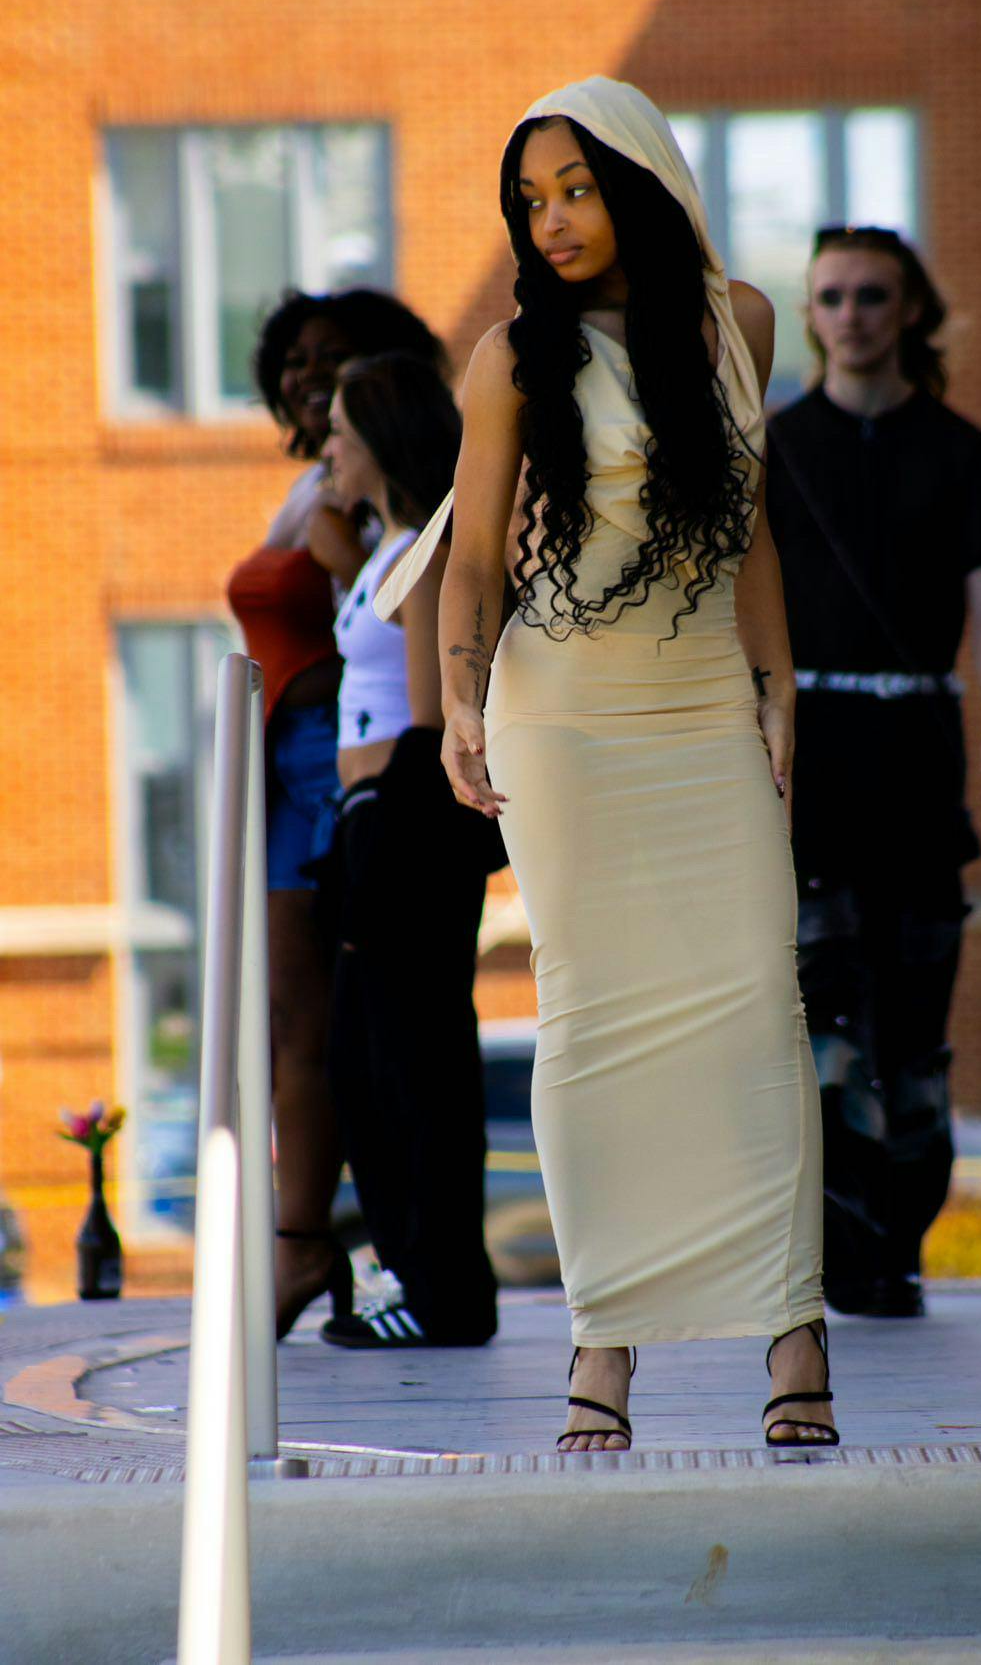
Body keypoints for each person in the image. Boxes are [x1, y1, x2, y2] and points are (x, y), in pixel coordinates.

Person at [375, 77, 836, 1453]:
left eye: (575, 187)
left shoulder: (736, 320)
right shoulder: (512, 355)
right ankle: (601, 1347)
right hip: (559, 714)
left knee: (759, 1000)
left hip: (703, 704)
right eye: (531, 200)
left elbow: (747, 531)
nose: (553, 219)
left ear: (637, 180)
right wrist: (459, 710)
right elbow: (464, 569)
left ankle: (792, 1332)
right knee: (587, 1020)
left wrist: (777, 687)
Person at [766, 225, 981, 1319]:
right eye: (831, 296)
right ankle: (843, 1246)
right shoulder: (771, 449)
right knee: (823, 1024)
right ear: (811, 311)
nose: (852, 314)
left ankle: (900, 1238)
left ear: (911, 308)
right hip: (809, 765)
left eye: (873, 294)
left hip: (919, 760)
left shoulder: (964, 452)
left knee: (914, 1029)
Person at [227, 289, 448, 1339]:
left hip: (353, 770)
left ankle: (339, 1249)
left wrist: (342, 551)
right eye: (296, 361)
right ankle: (306, 1239)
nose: (309, 379)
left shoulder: (380, 500)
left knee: (353, 1029)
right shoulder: (316, 485)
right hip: (287, 766)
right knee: (297, 1025)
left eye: (336, 361)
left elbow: (407, 616)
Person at [311, 353, 499, 1349]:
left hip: (409, 815)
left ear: (380, 435)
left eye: (339, 429)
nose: (325, 448)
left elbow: (433, 714)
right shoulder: (388, 544)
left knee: (412, 1057)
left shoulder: (430, 547)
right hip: (371, 819)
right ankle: (415, 1273)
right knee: (364, 1057)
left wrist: (380, 809)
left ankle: (442, 1288)